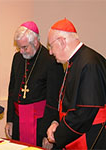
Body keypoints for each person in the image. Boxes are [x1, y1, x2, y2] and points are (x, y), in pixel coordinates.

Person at [45, 18, 106, 149]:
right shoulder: (75, 61)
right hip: (77, 132)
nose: (50, 52)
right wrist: (56, 123)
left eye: (51, 46)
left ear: (62, 42)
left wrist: (59, 134)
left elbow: (84, 113)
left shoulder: (89, 63)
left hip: (91, 137)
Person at [5, 21, 64, 147]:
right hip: (18, 121)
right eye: (19, 47)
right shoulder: (17, 58)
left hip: (40, 125)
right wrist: (9, 120)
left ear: (36, 42)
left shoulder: (51, 61)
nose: (21, 51)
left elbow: (54, 100)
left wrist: (47, 134)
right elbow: (12, 90)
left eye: (24, 47)